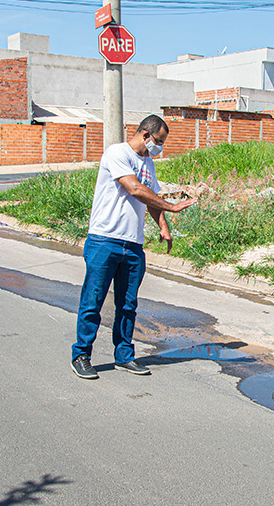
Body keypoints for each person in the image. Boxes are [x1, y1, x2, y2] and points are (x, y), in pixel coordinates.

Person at [71, 115, 197, 380]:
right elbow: (135, 189)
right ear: (145, 135)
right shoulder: (117, 153)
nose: (159, 148)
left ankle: (124, 356)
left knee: (128, 305)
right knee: (92, 301)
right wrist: (172, 207)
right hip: (105, 240)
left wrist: (164, 226)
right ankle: (81, 355)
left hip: (133, 244)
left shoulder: (148, 163)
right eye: (159, 142)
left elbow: (152, 198)